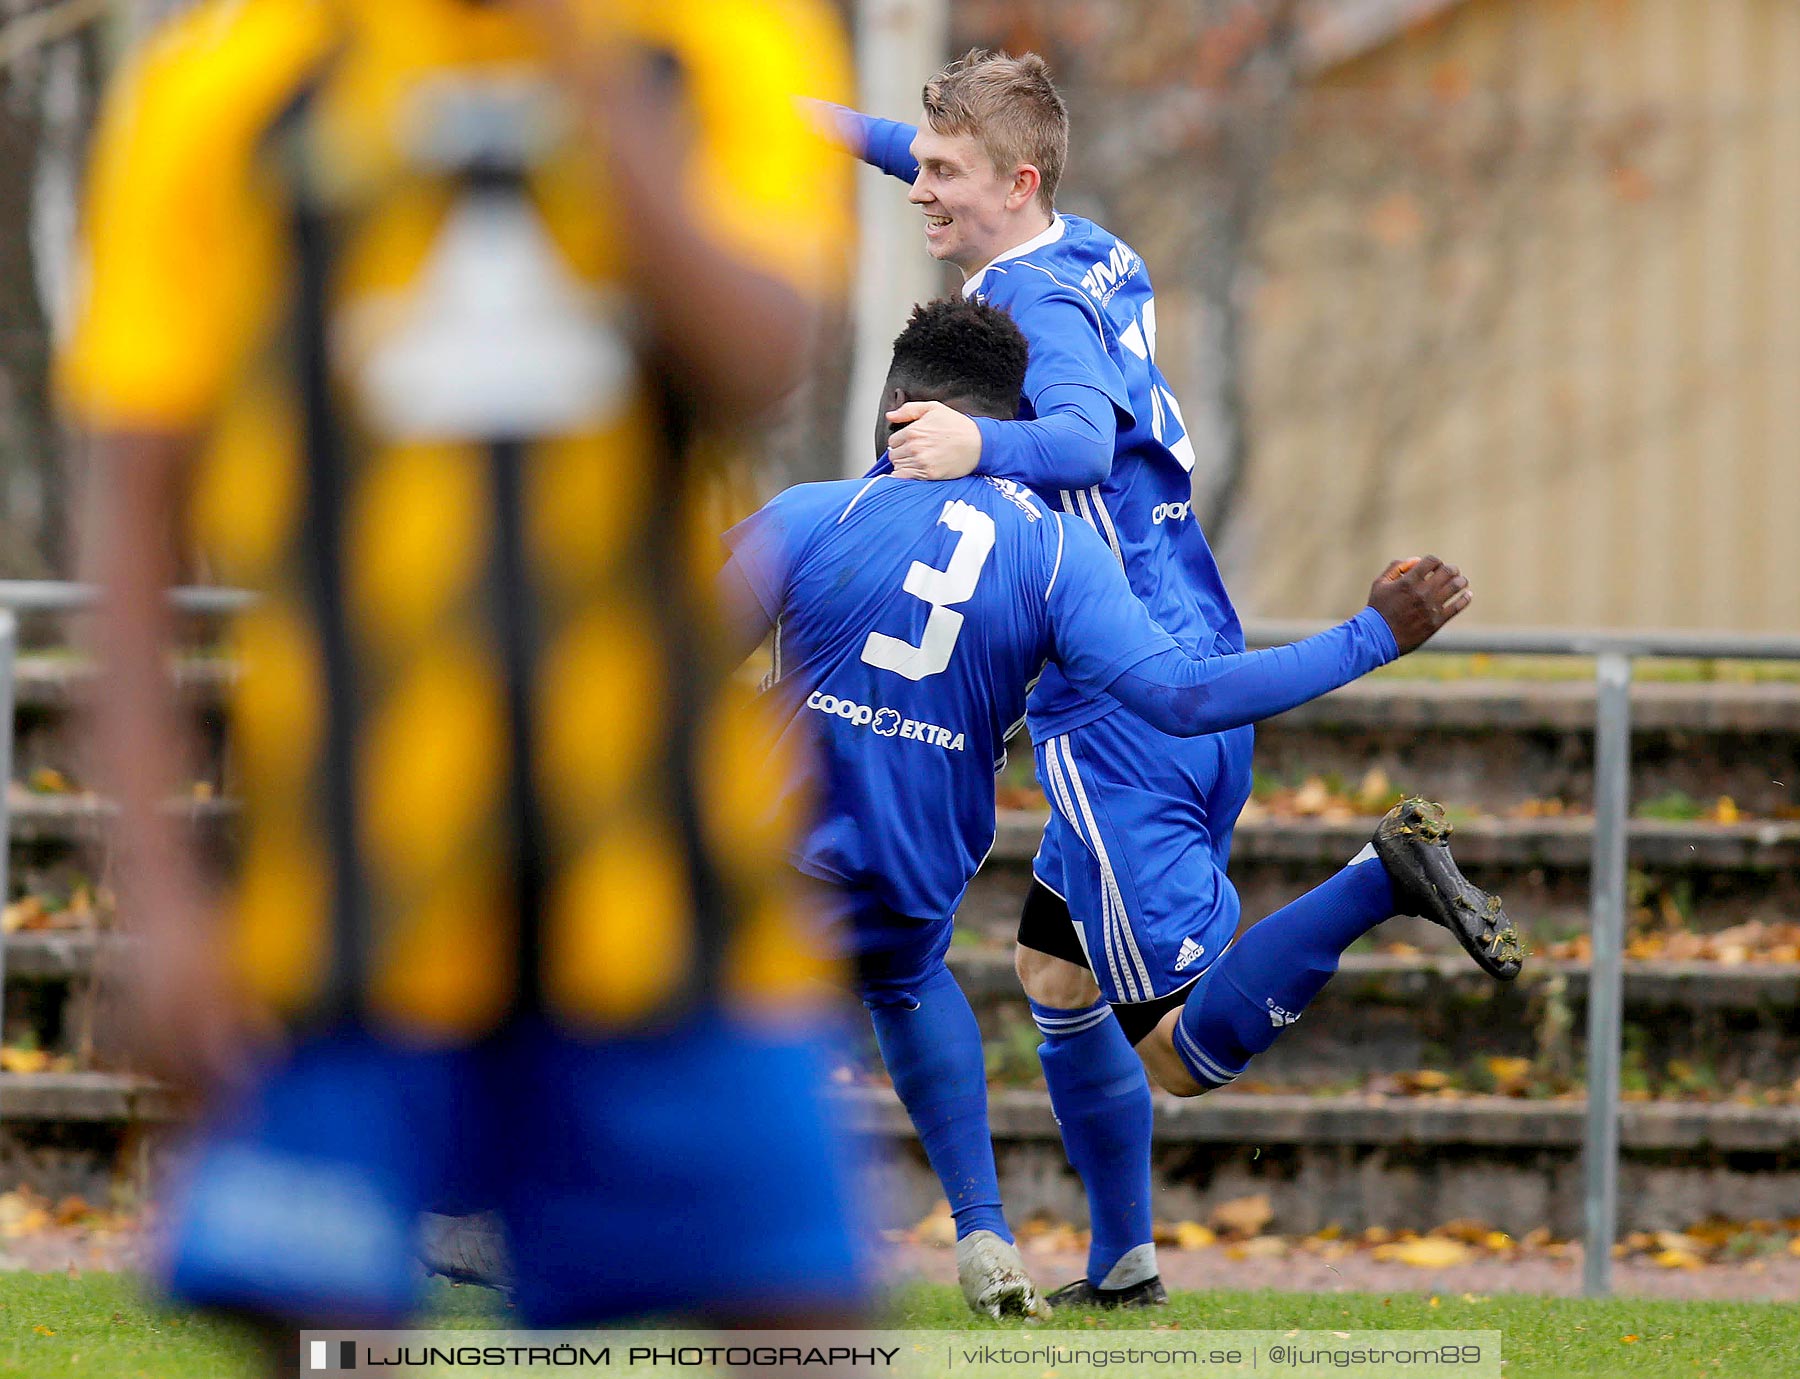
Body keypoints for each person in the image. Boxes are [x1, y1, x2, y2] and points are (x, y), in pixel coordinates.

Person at [65, 0, 868, 1358]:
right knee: (318, 1328)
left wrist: (581, 68)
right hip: (345, 901)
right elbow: (136, 516)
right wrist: (156, 889)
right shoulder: (223, 89)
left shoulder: (717, 39)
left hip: (665, 893)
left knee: (800, 1320)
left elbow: (759, 356)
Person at [812, 51, 1521, 1307]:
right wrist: (818, 125)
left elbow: (1082, 431)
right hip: (1184, 618)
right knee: (1054, 975)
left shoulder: (1033, 307)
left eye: (940, 172)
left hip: (1125, 700)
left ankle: (1378, 878)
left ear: (1015, 180)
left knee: (1182, 1058)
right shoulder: (1084, 243)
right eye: (914, 165)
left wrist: (979, 440)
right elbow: (957, 162)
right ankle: (1124, 1265)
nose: (917, 187)